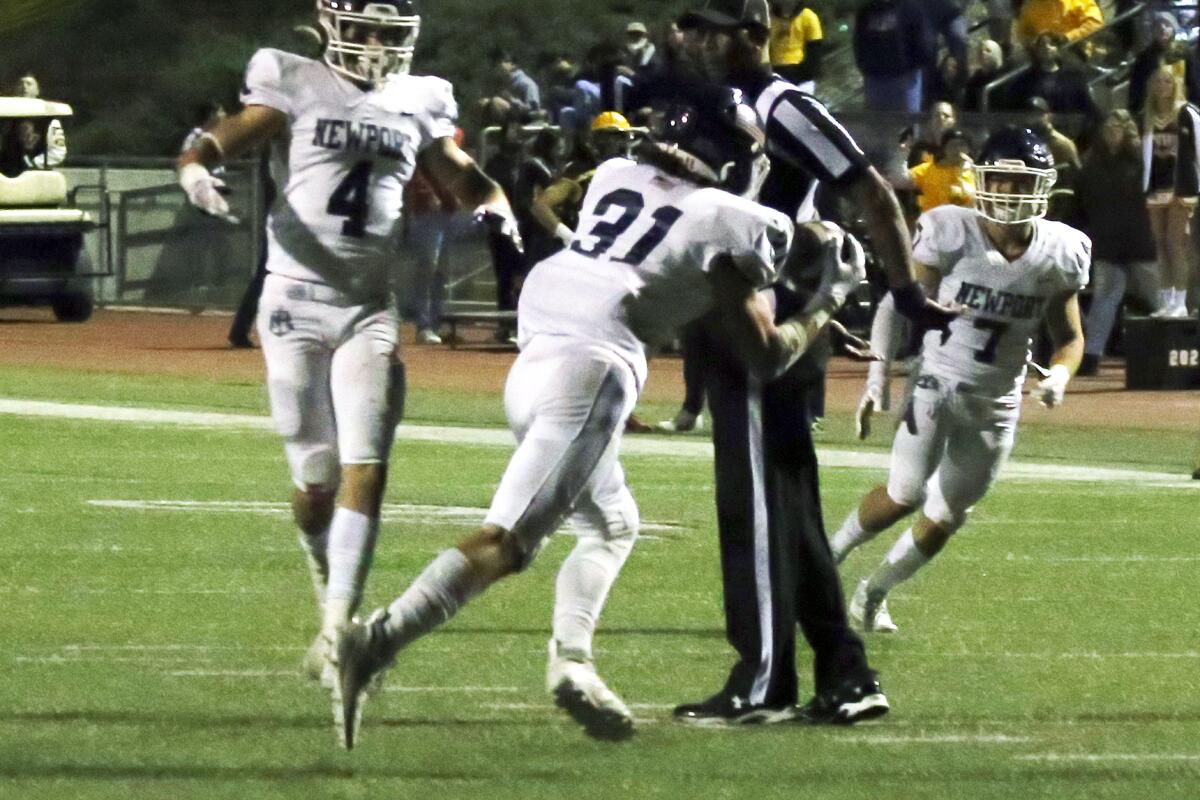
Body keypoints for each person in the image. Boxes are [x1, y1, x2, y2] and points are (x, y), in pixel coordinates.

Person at [330, 78, 869, 748]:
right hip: (591, 372)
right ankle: (375, 641)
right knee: (506, 543)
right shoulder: (732, 220)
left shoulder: (615, 173)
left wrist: (802, 240)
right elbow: (767, 355)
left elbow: (693, 229)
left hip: (535, 358)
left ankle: (573, 664)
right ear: (727, 154)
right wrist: (831, 300)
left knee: (613, 524)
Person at [176, 0, 520, 686]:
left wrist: (495, 201)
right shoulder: (295, 79)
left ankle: (339, 630)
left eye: (387, 36)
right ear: (333, 28)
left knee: (369, 462)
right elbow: (230, 135)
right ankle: (321, 572)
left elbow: (458, 172)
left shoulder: (419, 98)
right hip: (294, 302)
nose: (373, 46)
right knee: (317, 480)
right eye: (363, 30)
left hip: (368, 307)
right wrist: (194, 165)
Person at [670, 0, 956, 726]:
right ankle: (846, 674)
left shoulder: (783, 105)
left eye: (712, 27)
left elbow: (871, 191)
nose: (696, 41)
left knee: (756, 507)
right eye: (692, 26)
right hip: (741, 309)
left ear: (754, 32)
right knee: (791, 513)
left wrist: (905, 293)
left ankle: (764, 680)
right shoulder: (726, 105)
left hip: (771, 316)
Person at [833, 126, 1090, 633]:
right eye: (1002, 180)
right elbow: (895, 303)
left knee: (948, 515)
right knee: (905, 492)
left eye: (1023, 184)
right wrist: (876, 376)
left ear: (1043, 187)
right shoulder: (952, 229)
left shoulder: (1062, 250)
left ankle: (873, 594)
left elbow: (1071, 337)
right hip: (937, 379)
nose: (1012, 194)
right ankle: (825, 561)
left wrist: (1060, 375)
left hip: (998, 398)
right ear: (982, 180)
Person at [1074, 110, 1158, 373]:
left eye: (1119, 125)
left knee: (1160, 301)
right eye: (1109, 124)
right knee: (1105, 299)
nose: (1113, 129)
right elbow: (1081, 203)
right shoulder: (1091, 163)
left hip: (1141, 241)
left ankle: (1176, 349)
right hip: (1108, 242)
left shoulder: (1142, 161)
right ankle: (1091, 356)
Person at [1142, 65, 1200, 318]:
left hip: (1182, 186)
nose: (1163, 86)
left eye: (1167, 81)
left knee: (1176, 244)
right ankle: (1166, 301)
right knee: (1159, 244)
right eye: (1158, 82)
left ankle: (1181, 302)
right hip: (1156, 186)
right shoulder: (1147, 115)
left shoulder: (1187, 113)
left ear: (1175, 84)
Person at [852, 0, 936, 114]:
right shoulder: (866, 13)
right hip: (874, 80)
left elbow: (924, 43)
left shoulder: (910, 9)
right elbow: (858, 43)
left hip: (905, 79)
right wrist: (865, 67)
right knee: (876, 124)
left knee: (906, 124)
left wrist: (914, 66)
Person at [896, 128, 975, 215]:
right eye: (952, 145)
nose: (957, 149)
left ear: (969, 149)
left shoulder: (974, 172)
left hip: (963, 225)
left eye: (962, 145)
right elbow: (900, 181)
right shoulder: (927, 170)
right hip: (933, 224)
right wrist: (901, 155)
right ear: (944, 149)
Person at [768, 2, 825, 93]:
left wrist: (807, 75)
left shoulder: (808, 17)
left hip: (802, 79)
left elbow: (815, 51)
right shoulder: (768, 19)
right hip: (776, 79)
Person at [1014, 0, 1104, 51]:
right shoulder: (1031, 7)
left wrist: (1067, 38)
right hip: (1048, 59)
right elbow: (1024, 34)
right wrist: (1038, 46)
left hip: (1077, 51)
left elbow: (1096, 23)